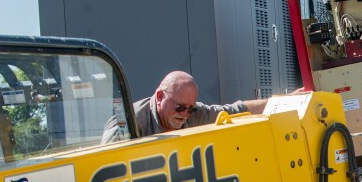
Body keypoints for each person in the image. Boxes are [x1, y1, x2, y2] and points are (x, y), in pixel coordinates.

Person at [101, 71, 268, 143]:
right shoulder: (127, 124)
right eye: (180, 107)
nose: (185, 115)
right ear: (160, 97)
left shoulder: (193, 114)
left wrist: (280, 100)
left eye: (191, 109)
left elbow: (233, 111)